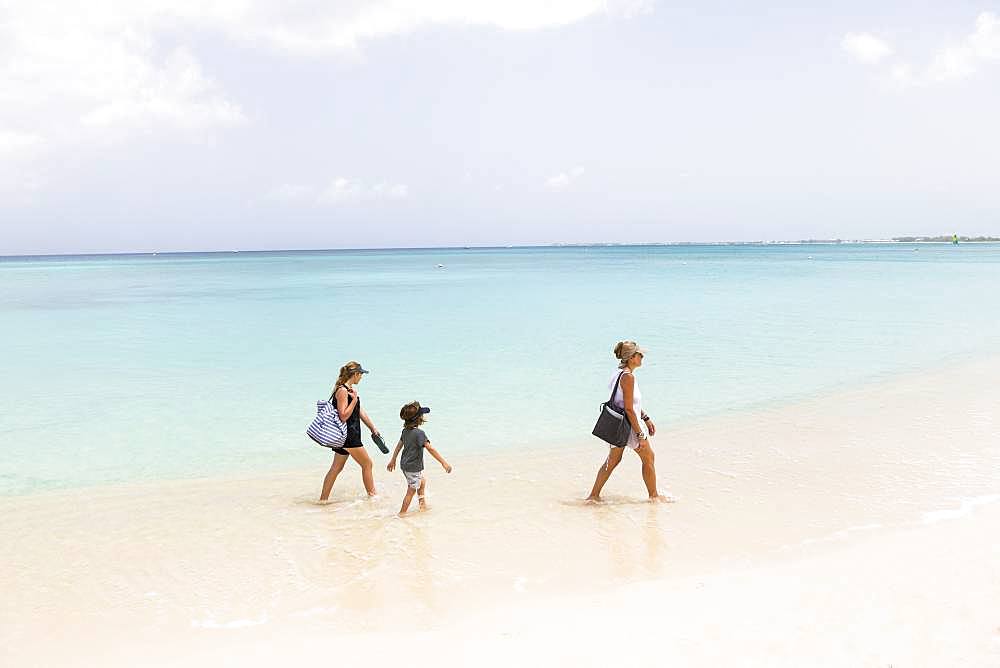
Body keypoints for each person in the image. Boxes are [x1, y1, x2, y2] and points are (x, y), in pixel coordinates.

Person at [587, 341, 672, 503]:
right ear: (632, 358)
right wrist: (640, 434)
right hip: (627, 425)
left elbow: (626, 403)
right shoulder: (628, 377)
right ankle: (654, 496)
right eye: (640, 354)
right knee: (648, 457)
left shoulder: (618, 373)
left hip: (617, 423)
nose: (642, 357)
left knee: (613, 460)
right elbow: (629, 408)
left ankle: (593, 496)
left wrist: (646, 417)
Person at [319, 361, 383, 501]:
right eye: (361, 375)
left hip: (345, 437)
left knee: (336, 468)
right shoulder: (342, 391)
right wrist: (353, 400)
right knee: (367, 464)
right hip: (349, 436)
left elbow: (359, 411)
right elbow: (343, 415)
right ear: (355, 374)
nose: (361, 377)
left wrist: (372, 428)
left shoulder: (349, 390)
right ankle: (373, 497)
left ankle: (323, 500)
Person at [387, 401, 452, 516]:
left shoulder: (405, 431)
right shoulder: (419, 433)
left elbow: (399, 445)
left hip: (405, 465)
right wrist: (443, 463)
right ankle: (401, 513)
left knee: (422, 482)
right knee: (411, 490)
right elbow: (430, 448)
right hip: (413, 467)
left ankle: (422, 505)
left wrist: (393, 459)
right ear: (419, 419)